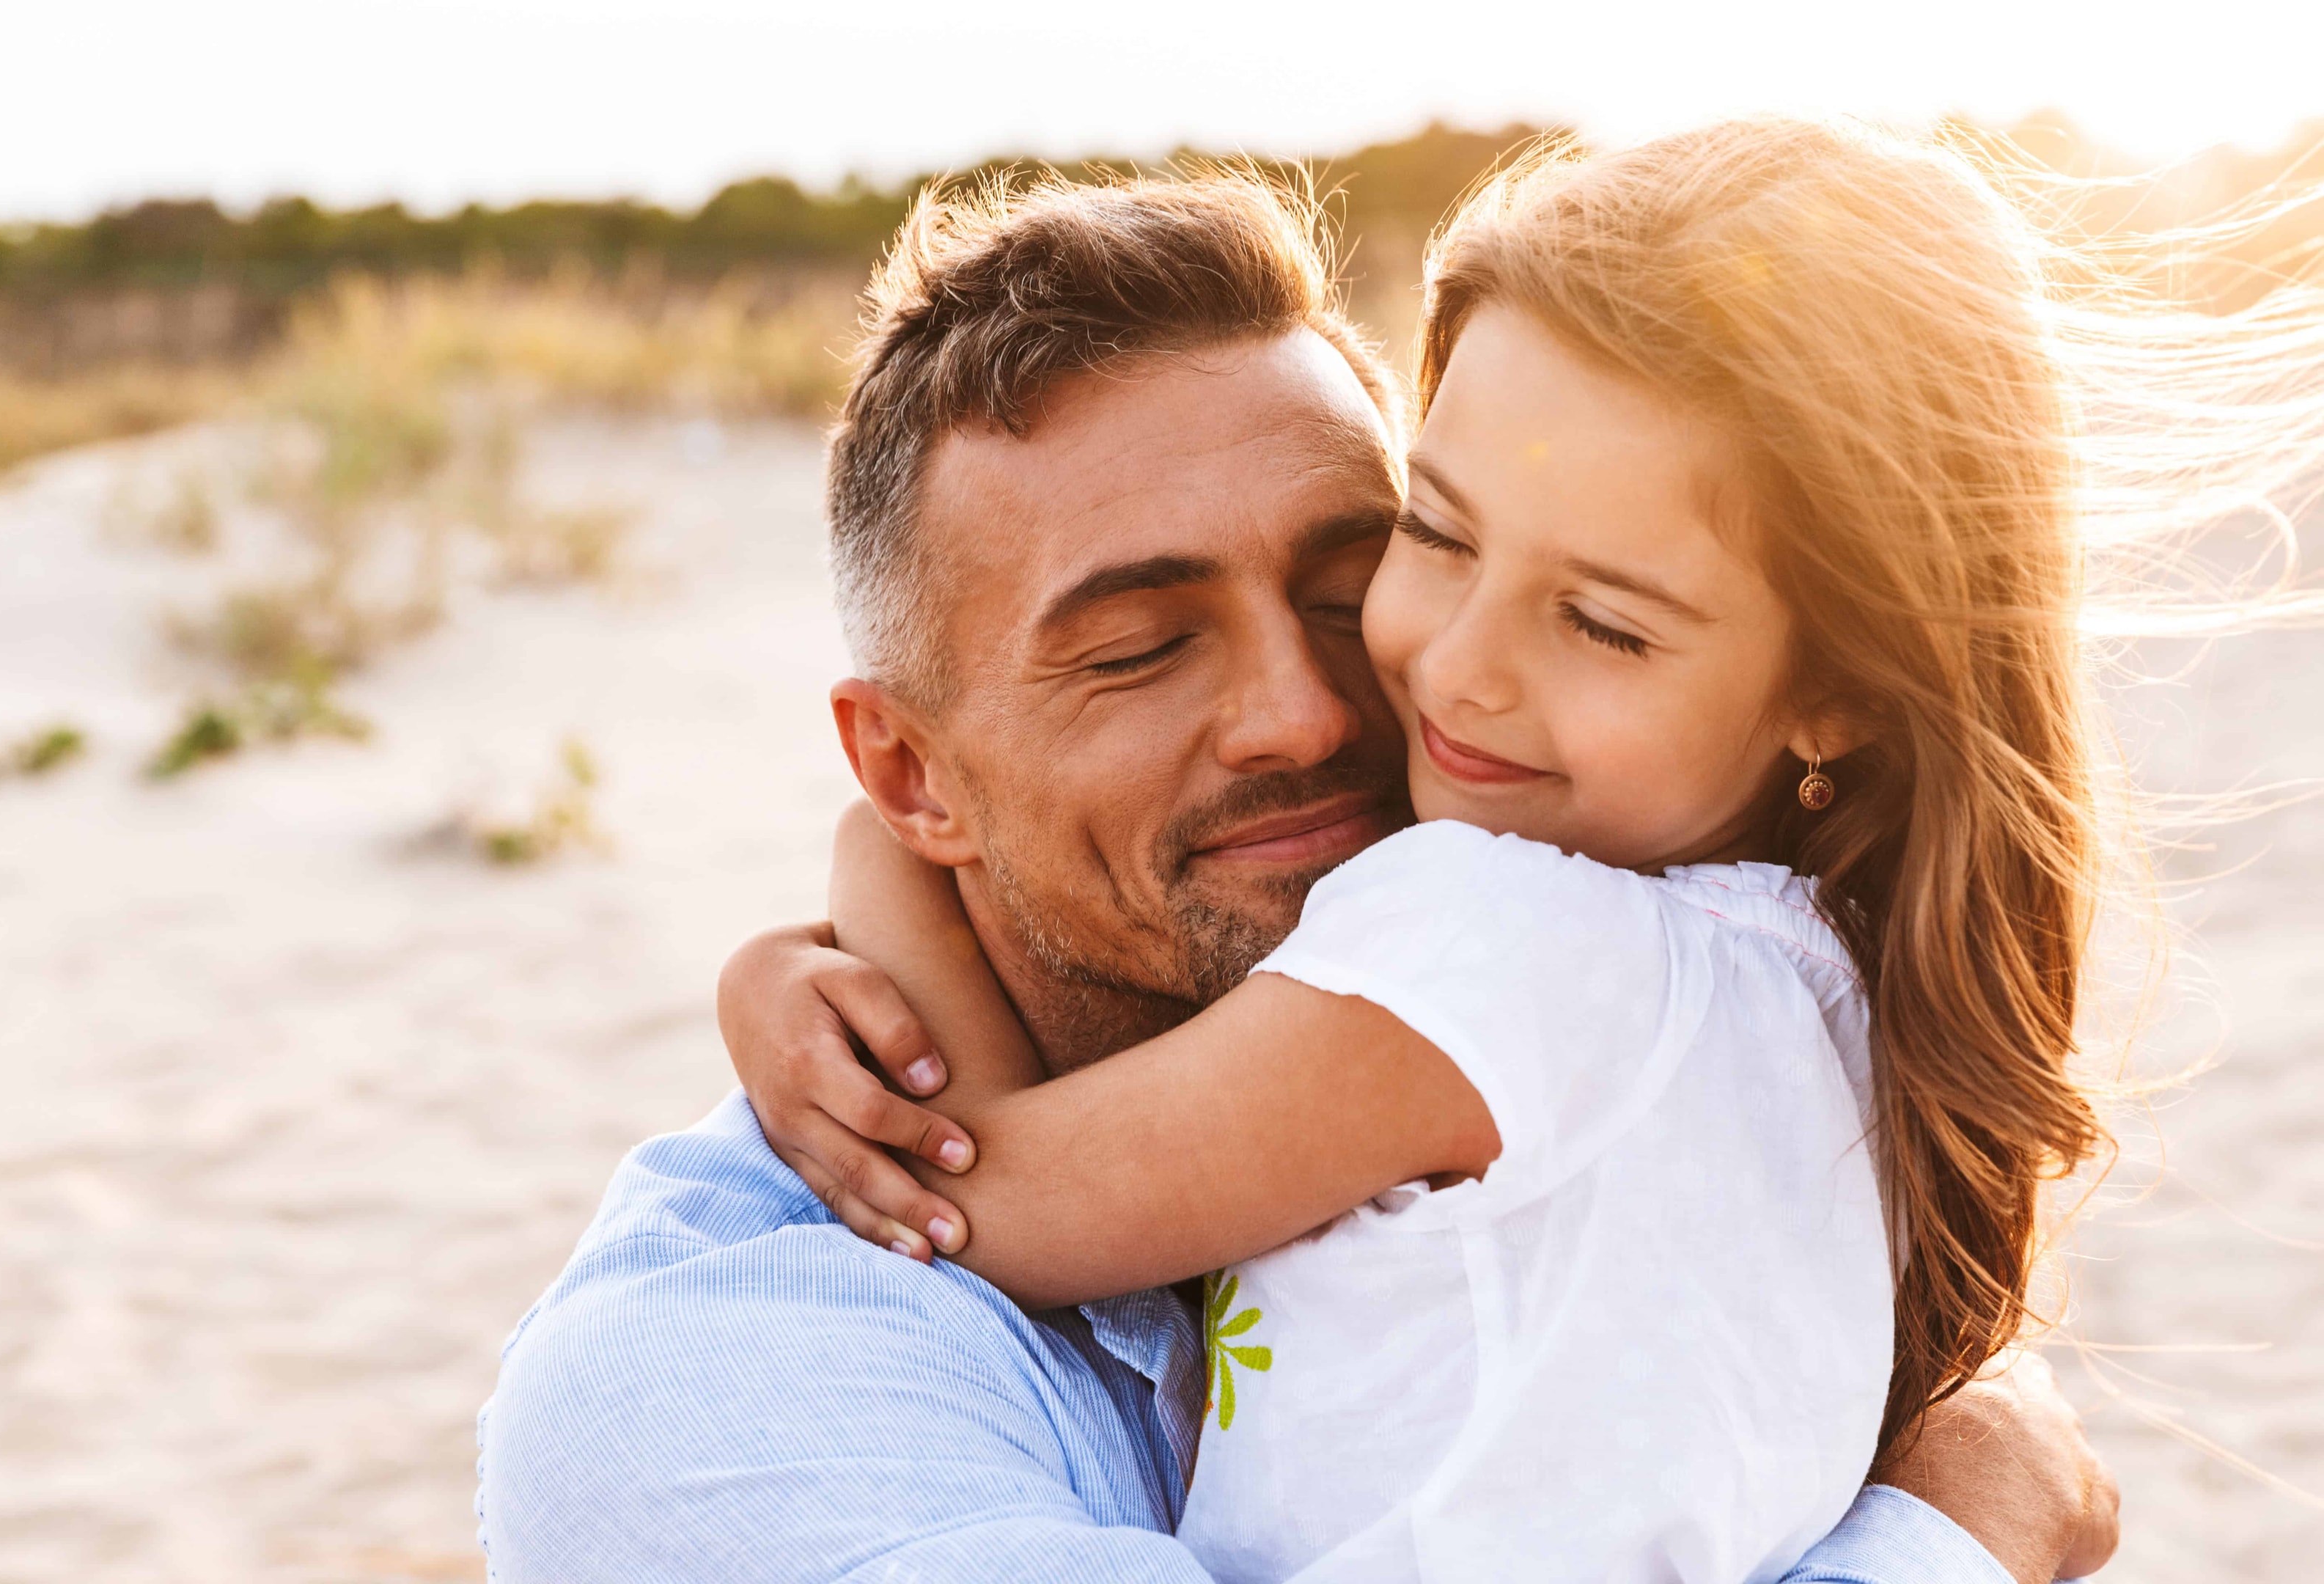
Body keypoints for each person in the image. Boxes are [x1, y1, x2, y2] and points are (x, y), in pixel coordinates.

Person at [477, 169, 2121, 1583]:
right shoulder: (710, 1385)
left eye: (1351, 581)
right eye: (1138, 651)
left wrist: (859, 900)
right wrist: (1960, 1525)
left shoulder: (1526, 990)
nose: (1318, 710)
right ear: (912, 774)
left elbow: (995, 1180)